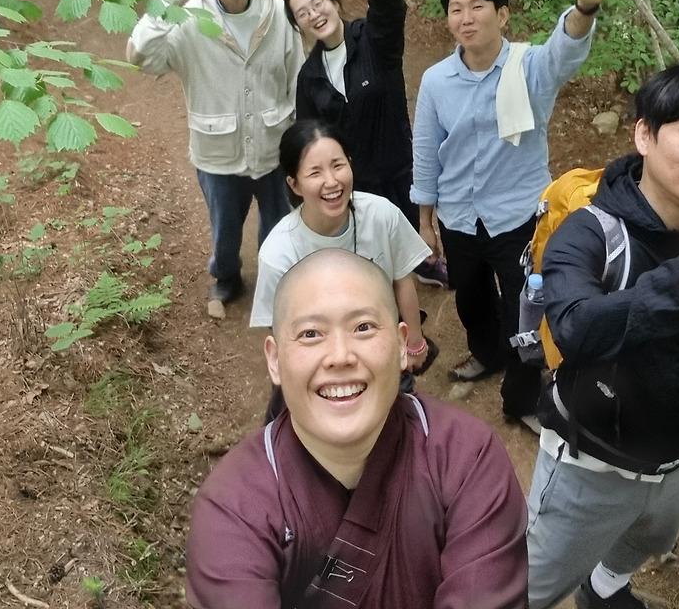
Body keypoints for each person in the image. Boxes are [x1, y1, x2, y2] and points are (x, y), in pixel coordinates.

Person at [526, 64, 679, 609]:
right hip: (594, 458)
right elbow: (575, 329)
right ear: (644, 135)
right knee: (530, 584)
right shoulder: (588, 234)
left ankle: (605, 586)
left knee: (651, 536)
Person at [186, 249, 529, 609]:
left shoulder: (466, 458)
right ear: (274, 360)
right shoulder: (234, 505)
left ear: (402, 345)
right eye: (310, 333)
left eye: (363, 327)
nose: (340, 356)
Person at [410, 0, 620, 428]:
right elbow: (425, 151)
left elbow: (564, 52)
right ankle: (487, 353)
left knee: (526, 309)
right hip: (460, 216)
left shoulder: (529, 68)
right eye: (456, 9)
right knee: (470, 298)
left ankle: (522, 397)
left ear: (502, 14)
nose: (465, 17)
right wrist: (425, 220)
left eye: (477, 6)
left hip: (520, 214)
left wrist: (585, 7)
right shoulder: (437, 81)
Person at [127, 0, 303, 319]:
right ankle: (226, 278)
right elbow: (139, 56)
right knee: (225, 228)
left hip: (274, 146)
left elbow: (297, 77)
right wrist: (166, 1)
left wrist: (302, 140)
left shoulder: (278, 14)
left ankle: (277, 280)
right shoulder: (189, 20)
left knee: (279, 223)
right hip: (217, 151)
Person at [282, 0, 447, 287]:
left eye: (318, 4)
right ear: (299, 26)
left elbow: (390, 10)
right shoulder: (309, 77)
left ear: (334, 3)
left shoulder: (373, 39)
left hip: (398, 168)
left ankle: (425, 267)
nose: (314, 14)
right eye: (303, 13)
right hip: (356, 183)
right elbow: (309, 138)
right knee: (372, 264)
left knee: (417, 247)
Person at [250, 120, 434, 381]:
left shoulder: (382, 215)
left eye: (338, 165)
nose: (331, 181)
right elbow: (282, 329)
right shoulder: (279, 254)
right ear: (294, 184)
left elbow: (402, 280)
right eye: (315, 173)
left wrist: (414, 343)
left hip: (380, 350)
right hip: (320, 365)